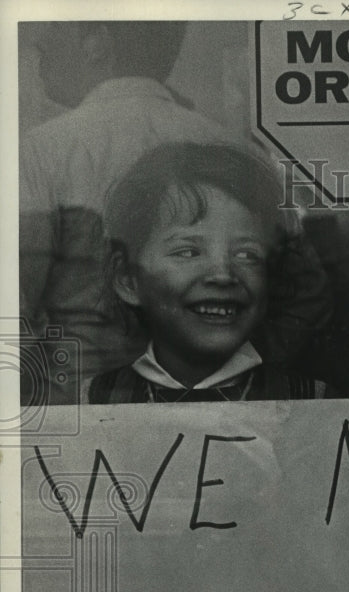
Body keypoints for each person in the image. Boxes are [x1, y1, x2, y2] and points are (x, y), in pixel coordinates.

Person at [19, 22, 330, 402]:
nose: (39, 44)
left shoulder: (38, 153)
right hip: (224, 414)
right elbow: (307, 294)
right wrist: (233, 371)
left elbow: (15, 309)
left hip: (84, 416)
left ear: (98, 42)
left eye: (55, 27)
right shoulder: (241, 153)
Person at [83, 143, 330, 403]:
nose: (223, 275)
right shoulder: (89, 402)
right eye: (188, 252)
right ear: (128, 281)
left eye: (246, 255)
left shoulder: (313, 404)